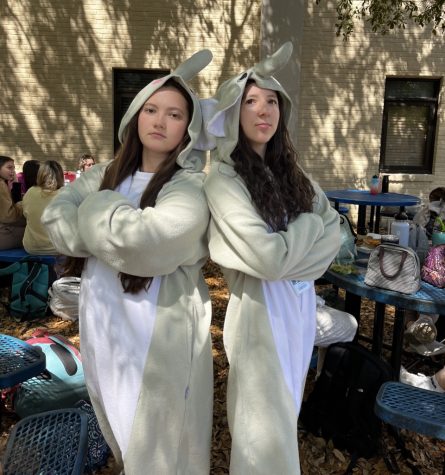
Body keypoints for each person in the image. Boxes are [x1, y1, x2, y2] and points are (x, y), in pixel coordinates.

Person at [42, 50, 214, 474]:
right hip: (104, 325)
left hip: (157, 333)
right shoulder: (104, 173)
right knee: (121, 429)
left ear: (187, 128)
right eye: (151, 109)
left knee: (158, 446)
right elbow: (53, 218)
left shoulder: (190, 186)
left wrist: (94, 214)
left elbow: (146, 244)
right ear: (135, 116)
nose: (160, 121)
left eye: (174, 114)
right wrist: (109, 230)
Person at [203, 43, 341, 474]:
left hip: (299, 311)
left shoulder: (292, 175)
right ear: (233, 114)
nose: (263, 110)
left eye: (271, 101)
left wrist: (294, 249)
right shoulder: (223, 178)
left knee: (284, 423)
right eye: (250, 101)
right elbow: (267, 261)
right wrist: (310, 230)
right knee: (262, 437)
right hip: (259, 317)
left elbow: (336, 233)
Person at [22, 160, 64, 255]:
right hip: (59, 249)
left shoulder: (30, 192)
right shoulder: (66, 193)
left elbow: (26, 215)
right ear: (61, 176)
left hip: (31, 248)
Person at [0, 155, 26, 250]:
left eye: (14, 168)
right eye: (9, 167)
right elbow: (8, 216)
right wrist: (20, 205)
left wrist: (15, 184)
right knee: (35, 234)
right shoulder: (1, 185)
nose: (13, 171)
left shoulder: (3, 183)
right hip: (3, 233)